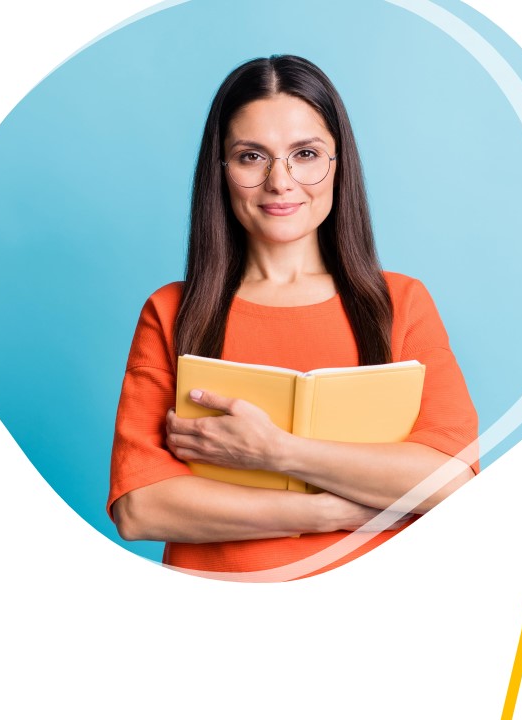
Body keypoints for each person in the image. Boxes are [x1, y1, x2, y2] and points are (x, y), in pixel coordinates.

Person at [107, 55, 479, 579]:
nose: (280, 181)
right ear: (221, 171)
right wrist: (327, 510)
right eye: (251, 156)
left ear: (338, 163)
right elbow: (141, 507)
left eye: (305, 154)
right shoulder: (171, 311)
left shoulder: (403, 303)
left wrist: (276, 451)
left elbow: (449, 481)